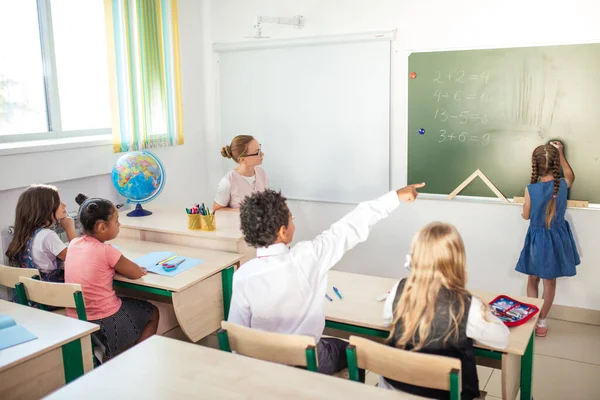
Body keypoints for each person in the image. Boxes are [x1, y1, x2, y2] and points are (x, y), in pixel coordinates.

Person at [228, 183, 425, 375]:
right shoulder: (308, 256)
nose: (293, 222)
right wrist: (395, 197)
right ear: (282, 231)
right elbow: (348, 227)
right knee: (354, 351)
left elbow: (236, 335)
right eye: (291, 218)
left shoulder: (242, 276)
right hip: (307, 361)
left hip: (264, 368)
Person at [381, 222, 509, 399]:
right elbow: (502, 339)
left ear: (414, 258)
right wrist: (486, 311)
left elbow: (387, 320)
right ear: (457, 260)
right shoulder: (468, 306)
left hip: (393, 389)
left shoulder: (399, 289)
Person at [65, 194, 159, 359]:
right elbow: (135, 272)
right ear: (102, 227)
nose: (119, 224)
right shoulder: (107, 251)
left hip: (77, 318)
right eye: (116, 221)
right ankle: (139, 359)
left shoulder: (73, 244)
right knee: (153, 312)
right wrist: (134, 269)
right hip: (105, 320)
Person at [515, 140, 579, 337]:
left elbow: (526, 216)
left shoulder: (530, 189)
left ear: (535, 166)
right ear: (556, 165)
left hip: (537, 239)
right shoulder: (562, 186)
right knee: (549, 282)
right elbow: (570, 176)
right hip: (557, 239)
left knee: (532, 278)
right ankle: (542, 322)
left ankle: (532, 320)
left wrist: (525, 213)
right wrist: (560, 153)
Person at [6, 184, 76, 282]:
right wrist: (69, 228)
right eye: (59, 202)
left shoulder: (25, 234)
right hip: (54, 294)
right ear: (45, 208)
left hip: (32, 295)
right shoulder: (47, 236)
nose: (64, 205)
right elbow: (77, 258)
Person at [213, 135, 268, 212]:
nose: (262, 154)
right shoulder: (228, 181)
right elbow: (216, 210)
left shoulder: (262, 173)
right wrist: (242, 210)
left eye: (260, 149)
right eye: (257, 152)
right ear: (242, 159)